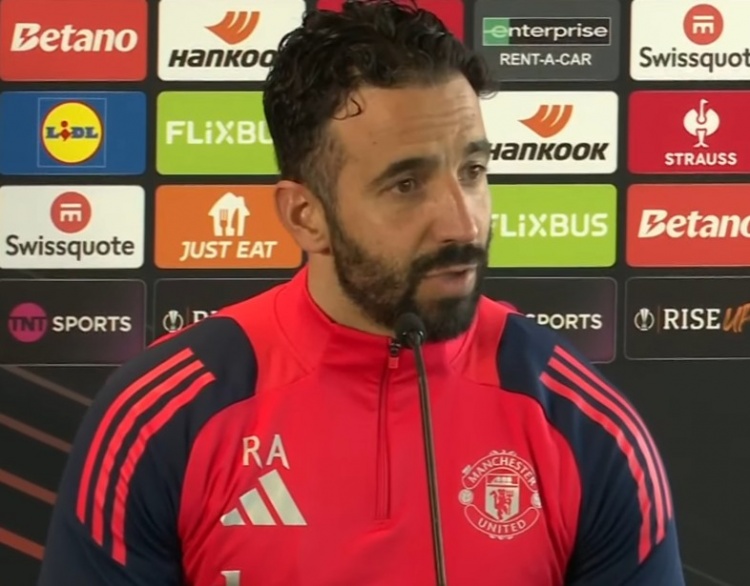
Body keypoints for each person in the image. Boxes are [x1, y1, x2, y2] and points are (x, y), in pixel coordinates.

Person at [38, 1, 685, 584]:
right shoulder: (163, 417)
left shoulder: (582, 424)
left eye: (472, 170)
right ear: (305, 217)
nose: (463, 224)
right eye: (406, 185)